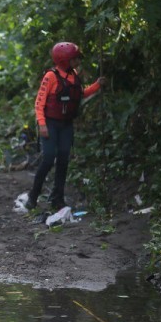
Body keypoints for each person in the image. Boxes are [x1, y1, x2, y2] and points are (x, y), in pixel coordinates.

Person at [26, 42, 107, 210]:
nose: (77, 61)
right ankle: (33, 195)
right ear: (64, 60)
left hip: (66, 125)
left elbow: (80, 93)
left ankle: (58, 198)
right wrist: (42, 124)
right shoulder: (51, 76)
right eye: (74, 59)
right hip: (50, 123)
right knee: (48, 158)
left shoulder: (74, 75)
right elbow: (39, 103)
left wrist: (97, 84)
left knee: (63, 160)